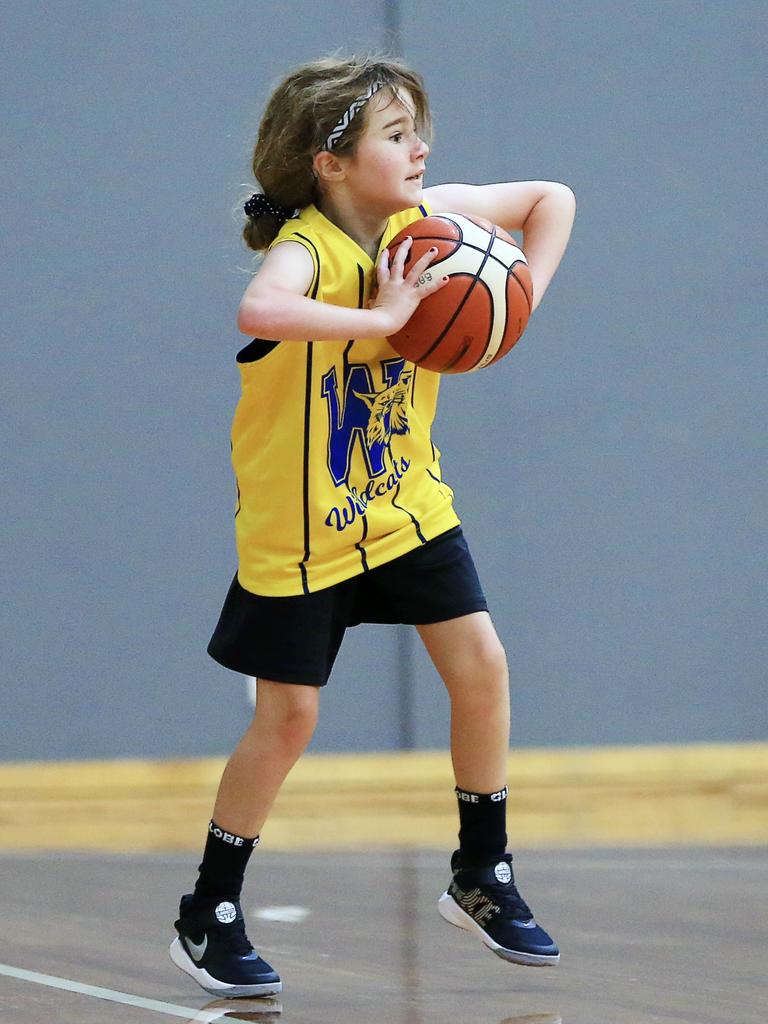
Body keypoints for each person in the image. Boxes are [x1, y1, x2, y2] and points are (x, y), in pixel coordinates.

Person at [169, 54, 576, 998]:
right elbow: (258, 306)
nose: (421, 145)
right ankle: (210, 909)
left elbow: (552, 199)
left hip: (402, 504)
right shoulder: (309, 247)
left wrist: (519, 303)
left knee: (481, 665)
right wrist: (387, 313)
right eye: (396, 135)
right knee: (290, 718)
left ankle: (482, 870)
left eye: (417, 128)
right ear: (331, 161)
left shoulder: (432, 225)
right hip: (300, 526)